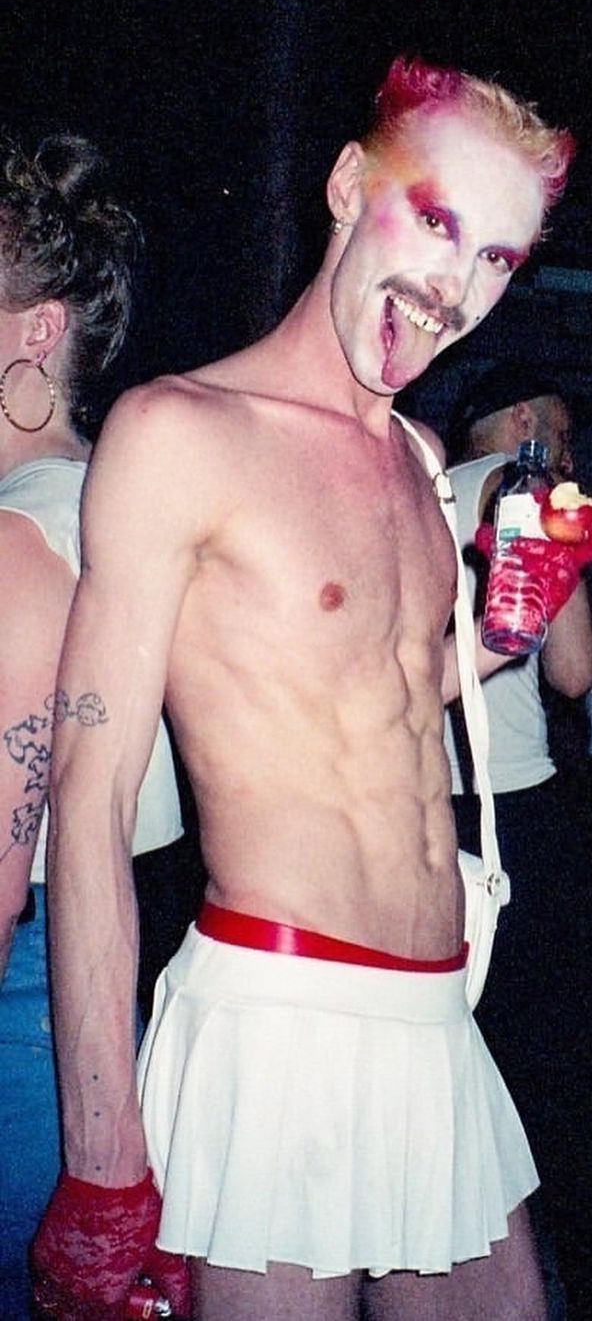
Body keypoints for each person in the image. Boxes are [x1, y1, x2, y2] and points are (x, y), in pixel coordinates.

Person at [32, 59, 586, 1321]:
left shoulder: (422, 456)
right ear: (346, 185)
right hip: (278, 1019)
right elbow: (91, 790)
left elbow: (388, 697)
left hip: (439, 1018)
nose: (455, 286)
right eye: (435, 220)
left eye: (496, 258)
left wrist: (509, 620)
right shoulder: (181, 432)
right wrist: (102, 1157)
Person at [0, 133, 183, 1319]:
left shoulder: (21, 544)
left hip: (29, 1023)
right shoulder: (122, 513)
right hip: (125, 1010)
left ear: (36, 332)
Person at [446, 366, 592, 1316]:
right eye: (559, 431)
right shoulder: (527, 494)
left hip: (416, 818)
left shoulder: (408, 483)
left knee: (457, 1085)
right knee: (571, 1090)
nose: (567, 454)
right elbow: (573, 672)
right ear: (521, 419)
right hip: (514, 818)